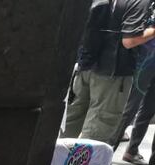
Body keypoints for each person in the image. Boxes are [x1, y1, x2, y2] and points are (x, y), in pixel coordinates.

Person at [63, 0, 154, 143]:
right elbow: (129, 40)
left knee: (70, 124)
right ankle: (83, 164)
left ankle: (54, 163)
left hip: (85, 63)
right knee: (97, 133)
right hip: (112, 73)